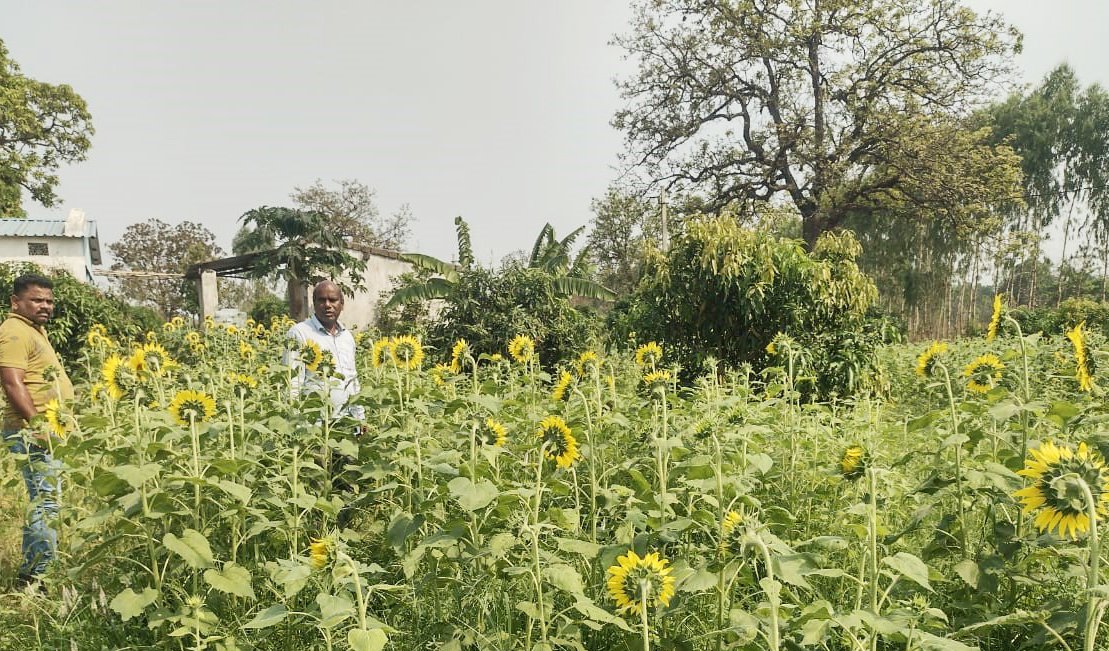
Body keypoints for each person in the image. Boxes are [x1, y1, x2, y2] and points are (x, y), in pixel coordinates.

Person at [0, 274, 73, 585]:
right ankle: (38, 578)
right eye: (37, 300)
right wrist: (40, 424)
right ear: (16, 302)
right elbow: (11, 383)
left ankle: (33, 572)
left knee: (46, 502)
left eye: (49, 300)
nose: (45, 305)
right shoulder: (14, 332)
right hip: (33, 432)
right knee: (45, 504)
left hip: (46, 430)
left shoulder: (33, 330)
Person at [285, 280, 365, 422]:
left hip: (347, 422)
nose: (327, 305)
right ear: (314, 304)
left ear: (342, 304)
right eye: (322, 300)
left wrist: (360, 421)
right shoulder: (300, 333)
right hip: (314, 425)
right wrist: (299, 427)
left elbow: (352, 381)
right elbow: (292, 383)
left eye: (333, 300)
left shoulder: (347, 337)